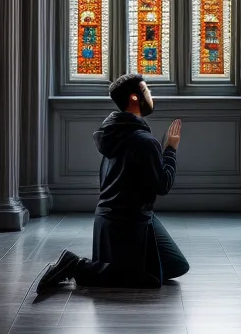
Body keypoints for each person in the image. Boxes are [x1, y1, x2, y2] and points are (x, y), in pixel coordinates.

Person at [37, 73, 188, 291]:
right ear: (135, 98)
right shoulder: (145, 141)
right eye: (147, 90)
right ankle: (75, 264)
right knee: (149, 281)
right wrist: (171, 149)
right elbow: (162, 186)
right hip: (128, 221)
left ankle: (118, 266)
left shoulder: (114, 132)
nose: (151, 95)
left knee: (176, 266)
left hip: (117, 217)